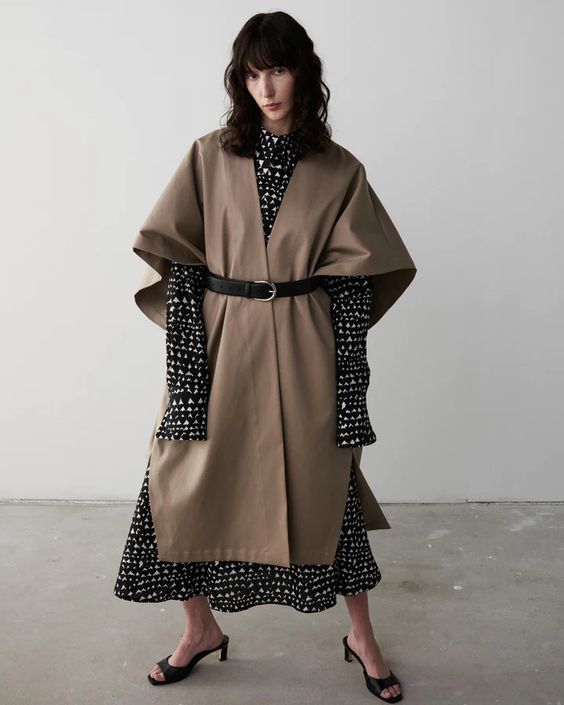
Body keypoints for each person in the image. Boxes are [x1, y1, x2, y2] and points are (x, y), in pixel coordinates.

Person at [113, 11, 416, 702]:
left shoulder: (339, 170)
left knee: (328, 491)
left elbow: (352, 287)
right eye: (252, 75)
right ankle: (199, 630)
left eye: (277, 70)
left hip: (304, 345)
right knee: (178, 483)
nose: (266, 88)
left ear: (303, 73)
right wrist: (186, 376)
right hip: (219, 342)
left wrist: (350, 392)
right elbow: (182, 267)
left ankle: (362, 637)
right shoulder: (208, 156)